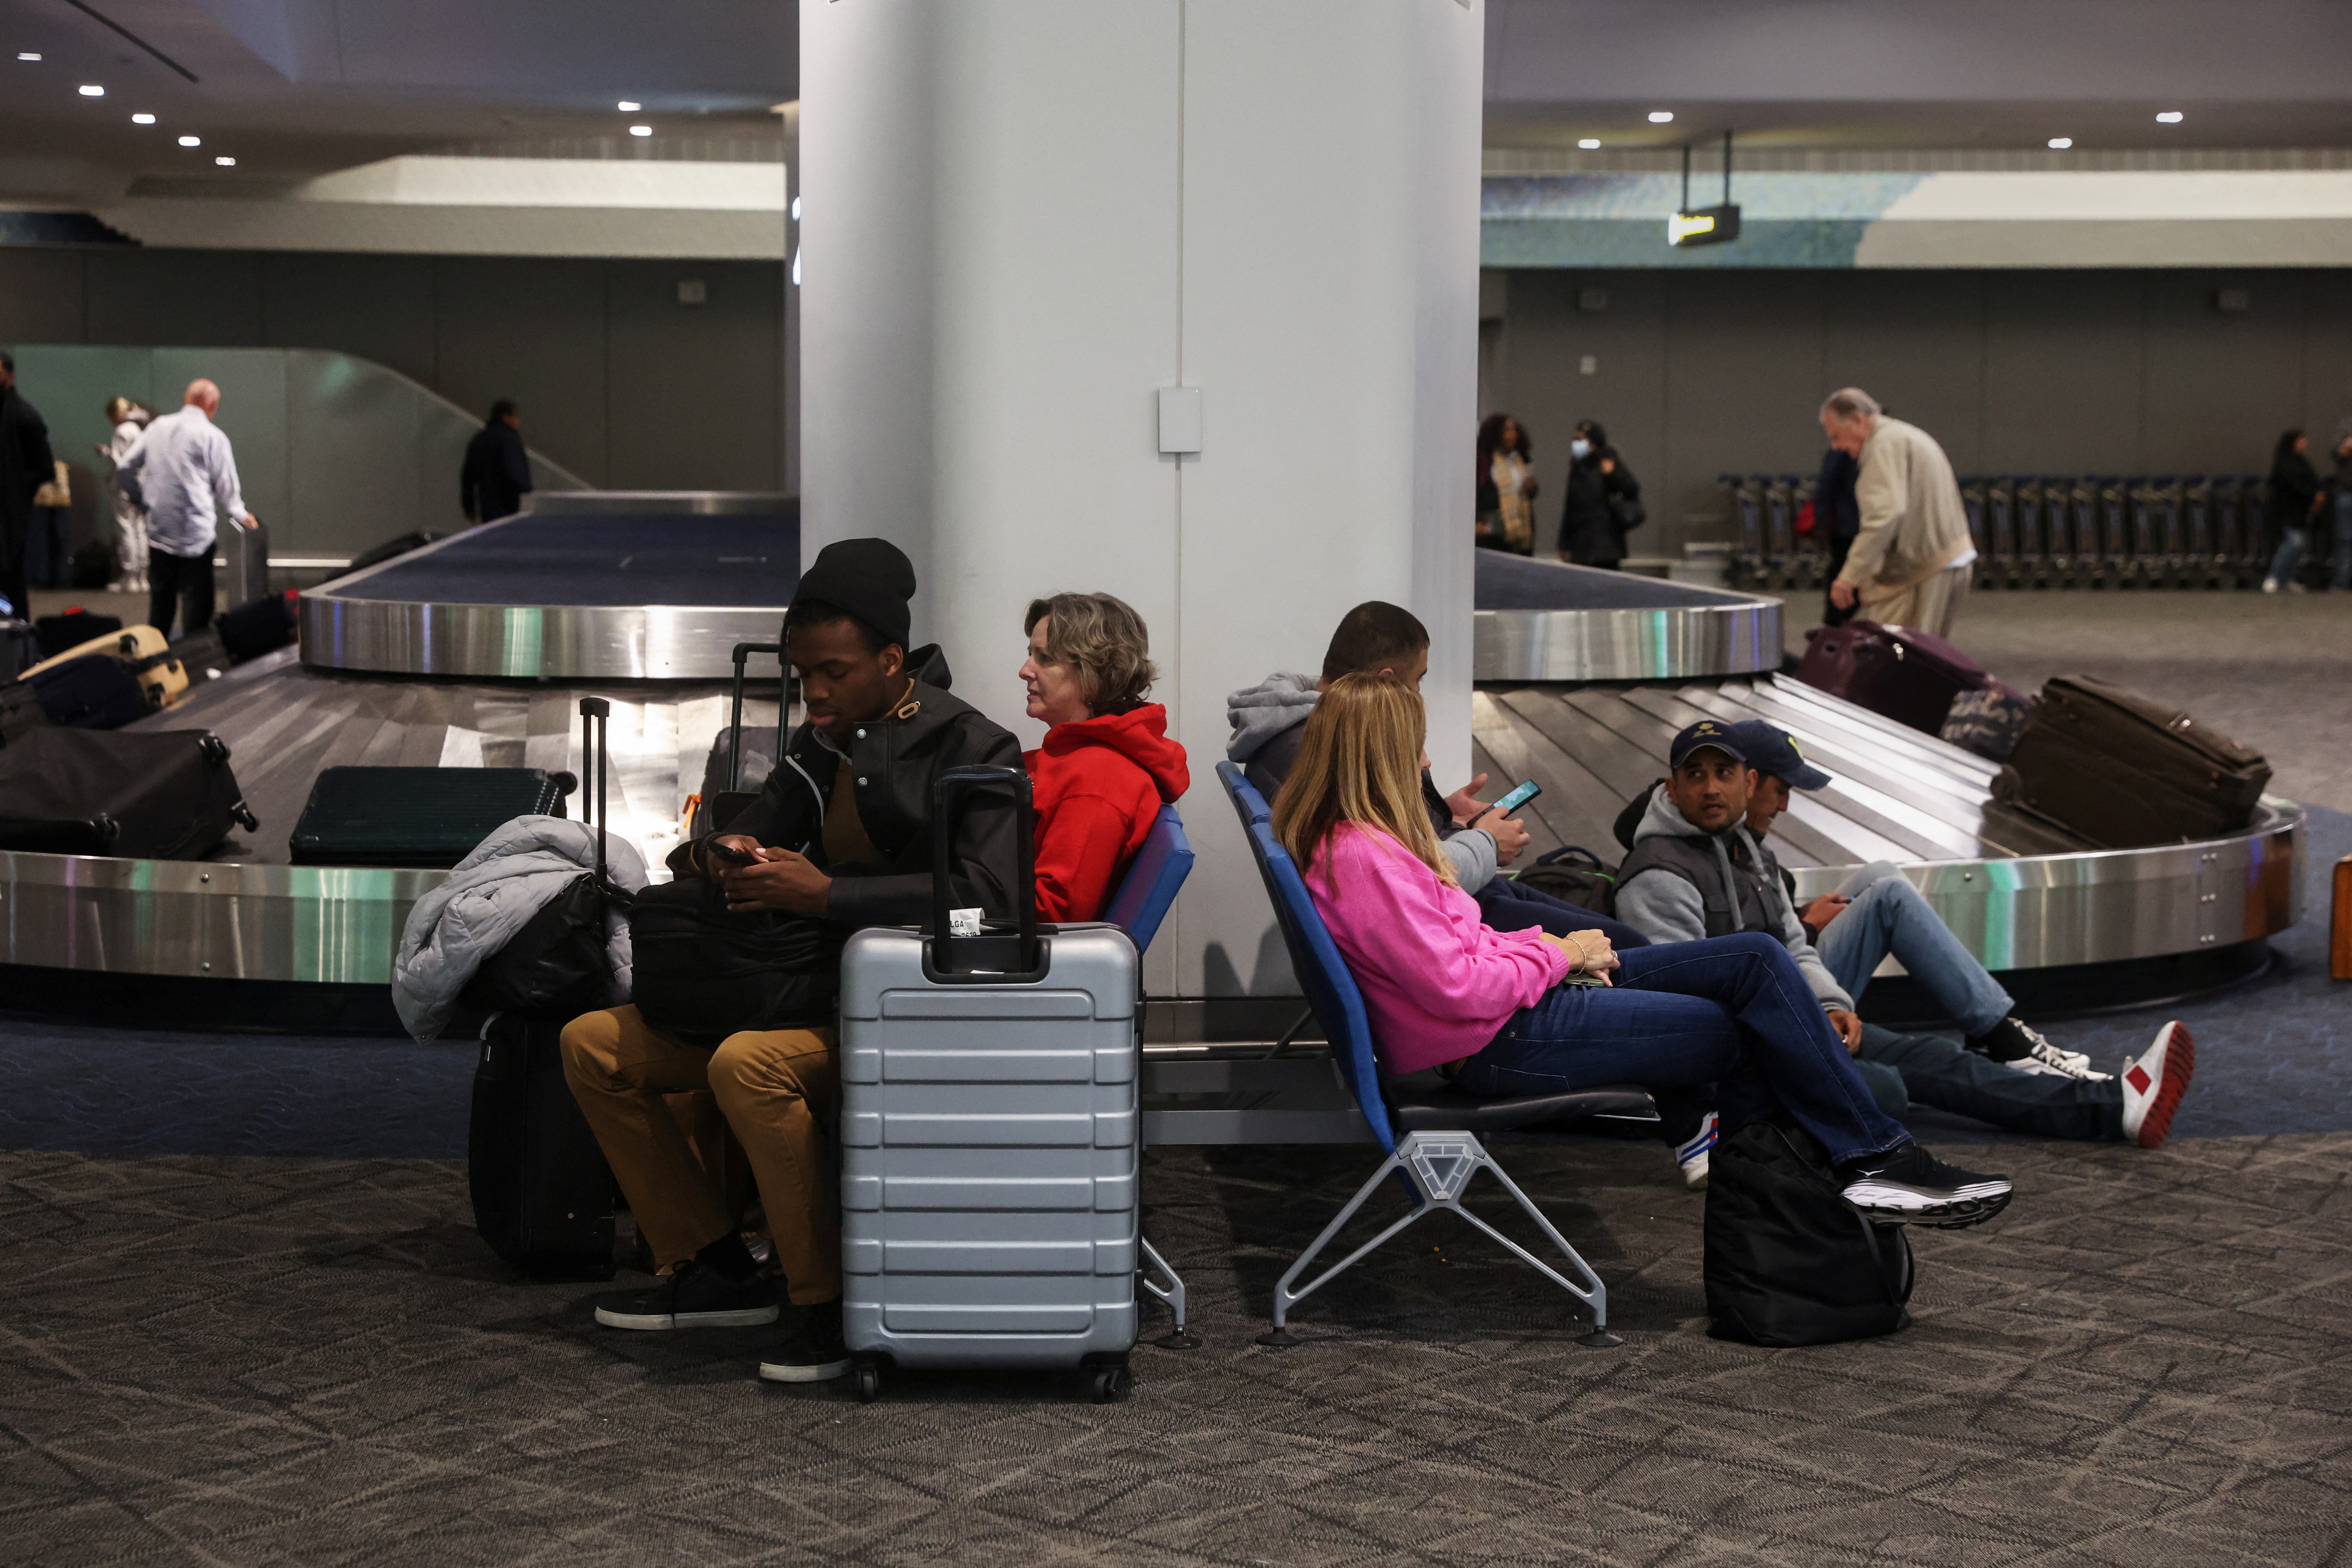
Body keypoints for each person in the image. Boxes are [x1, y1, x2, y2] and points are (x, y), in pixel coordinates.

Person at [1282, 673, 2014, 1227]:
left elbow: (1455, 947)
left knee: (1757, 956)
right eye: (1411, 745)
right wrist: (1556, 958)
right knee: (1739, 1030)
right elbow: (1456, 989)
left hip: (1513, 1005)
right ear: (1380, 755)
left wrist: (1554, 944)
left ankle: (1863, 1161)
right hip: (1499, 1037)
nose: (1422, 760)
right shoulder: (1365, 856)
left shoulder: (1358, 842)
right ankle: (1851, 1171)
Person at [560, 537, 1025, 1385]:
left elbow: (988, 902)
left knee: (747, 1063)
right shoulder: (823, 743)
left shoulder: (976, 748)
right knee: (592, 1042)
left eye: (835, 671)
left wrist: (829, 897)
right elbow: (728, 834)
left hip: (907, 1014)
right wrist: (722, 853)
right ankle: (712, 1263)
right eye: (804, 670)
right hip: (797, 993)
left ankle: (823, 1301)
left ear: (894, 659)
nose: (815, 689)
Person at [1612, 718, 2195, 1177]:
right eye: (1696, 775)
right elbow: (1683, 1013)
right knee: (1888, 1086)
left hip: (1793, 1022)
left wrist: (1830, 1006)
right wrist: (1794, 1038)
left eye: (1724, 772)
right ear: (1674, 788)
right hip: (1748, 1060)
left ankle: (2113, 1108)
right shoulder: (1660, 875)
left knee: (1936, 1059)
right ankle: (2012, 1049)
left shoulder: (1752, 855)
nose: (1712, 787)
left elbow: (1794, 945)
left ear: (1746, 781)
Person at [1226, 600, 1648, 951]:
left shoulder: (1295, 731)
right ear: (1385, 683)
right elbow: (1405, 876)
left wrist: (1444, 814)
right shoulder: (1322, 749)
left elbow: (1387, 843)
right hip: (1450, 916)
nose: (1425, 763)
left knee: (1622, 942)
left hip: (1451, 903)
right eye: (1419, 680)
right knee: (1624, 948)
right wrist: (1485, 842)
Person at [1018, 591, 1189, 922]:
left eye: (1046, 658)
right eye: (1030, 655)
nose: (1025, 671)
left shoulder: (1098, 779)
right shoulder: (1076, 754)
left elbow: (1055, 915)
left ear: (1095, 677)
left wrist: (949, 910)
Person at [1819, 388, 1973, 637]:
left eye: (1837, 436)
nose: (1837, 447)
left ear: (1858, 419)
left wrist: (1849, 577)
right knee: (1931, 656)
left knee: (1900, 659)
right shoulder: (1907, 436)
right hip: (1950, 559)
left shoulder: (1882, 445)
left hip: (1921, 572)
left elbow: (1884, 516)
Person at [115, 379, 259, 638]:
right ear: (213, 406)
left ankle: (155, 658)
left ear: (186, 398)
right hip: (196, 534)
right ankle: (197, 663)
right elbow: (226, 485)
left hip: (159, 529)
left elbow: (125, 466)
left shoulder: (157, 427)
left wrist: (140, 501)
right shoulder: (213, 436)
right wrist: (239, 513)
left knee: (161, 605)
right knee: (197, 608)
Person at [0, 348, 57, 621]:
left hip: (11, 519)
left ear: (9, 376)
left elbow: (45, 468)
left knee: (11, 582)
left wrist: (16, 487)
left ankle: (17, 644)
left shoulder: (25, 418)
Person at [1555, 420, 1641, 569]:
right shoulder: (1577, 467)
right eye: (1575, 440)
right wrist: (1564, 543)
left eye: (1581, 440)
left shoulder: (1609, 461)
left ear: (1593, 442)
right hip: (1581, 544)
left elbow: (1631, 488)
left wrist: (1612, 474)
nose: (1577, 444)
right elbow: (1570, 507)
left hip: (1607, 544)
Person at [2260, 428, 2324, 594]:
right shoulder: (2284, 462)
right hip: (2287, 511)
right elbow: (2291, 485)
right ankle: (2274, 577)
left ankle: (2286, 579)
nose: (2305, 443)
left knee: (2300, 546)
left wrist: (2317, 495)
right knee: (2293, 543)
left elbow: (2313, 480)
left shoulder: (2302, 462)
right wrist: (2311, 494)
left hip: (2302, 511)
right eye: (2301, 440)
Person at [100, 397, 150, 594]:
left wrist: (106, 452)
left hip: (124, 488)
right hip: (141, 487)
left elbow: (121, 463)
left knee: (126, 529)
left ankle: (130, 576)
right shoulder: (139, 431)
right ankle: (142, 577)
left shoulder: (122, 432)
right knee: (140, 529)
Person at [460, 399, 532, 524]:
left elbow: (468, 477)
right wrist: (529, 495)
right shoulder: (510, 440)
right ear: (506, 417)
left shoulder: (479, 439)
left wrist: (469, 507)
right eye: (516, 417)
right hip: (510, 508)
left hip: (487, 507)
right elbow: (515, 474)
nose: (518, 422)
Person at [1474, 414, 1538, 554]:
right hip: (1492, 534)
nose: (1512, 435)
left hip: (1520, 533)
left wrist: (1531, 488)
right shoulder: (1485, 461)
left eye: (1514, 430)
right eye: (1507, 431)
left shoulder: (1521, 460)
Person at [1814, 442, 1861, 626]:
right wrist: (1822, 518)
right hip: (1847, 524)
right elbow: (1827, 482)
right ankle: (1835, 620)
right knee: (1843, 572)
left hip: (1855, 523)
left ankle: (1841, 618)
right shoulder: (1844, 449)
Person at [27, 457, 69, 591]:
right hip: (53, 502)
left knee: (45, 540)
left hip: (46, 503)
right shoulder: (60, 466)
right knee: (49, 541)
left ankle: (49, 577)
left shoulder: (55, 466)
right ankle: (50, 577)